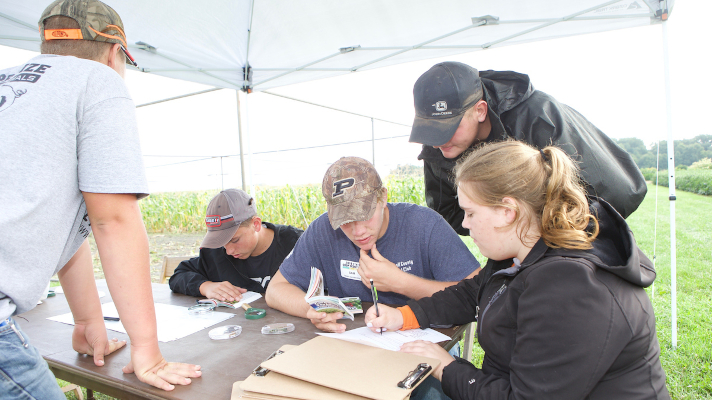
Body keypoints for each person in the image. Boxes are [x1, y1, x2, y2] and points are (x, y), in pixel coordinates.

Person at [0, 1, 201, 397]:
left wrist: (86, 321)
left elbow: (61, 224)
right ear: (115, 53)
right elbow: (114, 221)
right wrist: (148, 352)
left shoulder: (12, 85)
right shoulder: (98, 80)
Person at [365, 141, 670, 400]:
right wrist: (403, 316)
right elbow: (472, 293)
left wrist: (446, 366)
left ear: (507, 212)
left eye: (471, 213)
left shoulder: (572, 287)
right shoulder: (522, 250)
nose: (466, 224)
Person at [409, 61, 647, 235]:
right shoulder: (440, 141)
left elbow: (609, 196)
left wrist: (526, 226)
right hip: (512, 244)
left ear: (480, 111)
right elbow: (447, 209)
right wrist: (498, 224)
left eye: (448, 128)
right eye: (431, 131)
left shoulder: (539, 116)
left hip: (579, 237)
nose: (439, 141)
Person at [265, 156, 481, 334]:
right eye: (346, 222)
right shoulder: (323, 231)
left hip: (424, 343)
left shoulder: (424, 225)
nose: (358, 232)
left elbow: (477, 294)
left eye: (365, 215)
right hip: (353, 343)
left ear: (383, 198)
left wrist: (400, 282)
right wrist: (314, 310)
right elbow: (275, 290)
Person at [169, 189, 303, 301]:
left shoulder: (297, 244)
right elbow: (179, 275)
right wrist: (205, 286)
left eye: (234, 240)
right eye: (222, 242)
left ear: (255, 224)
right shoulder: (215, 253)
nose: (229, 251)